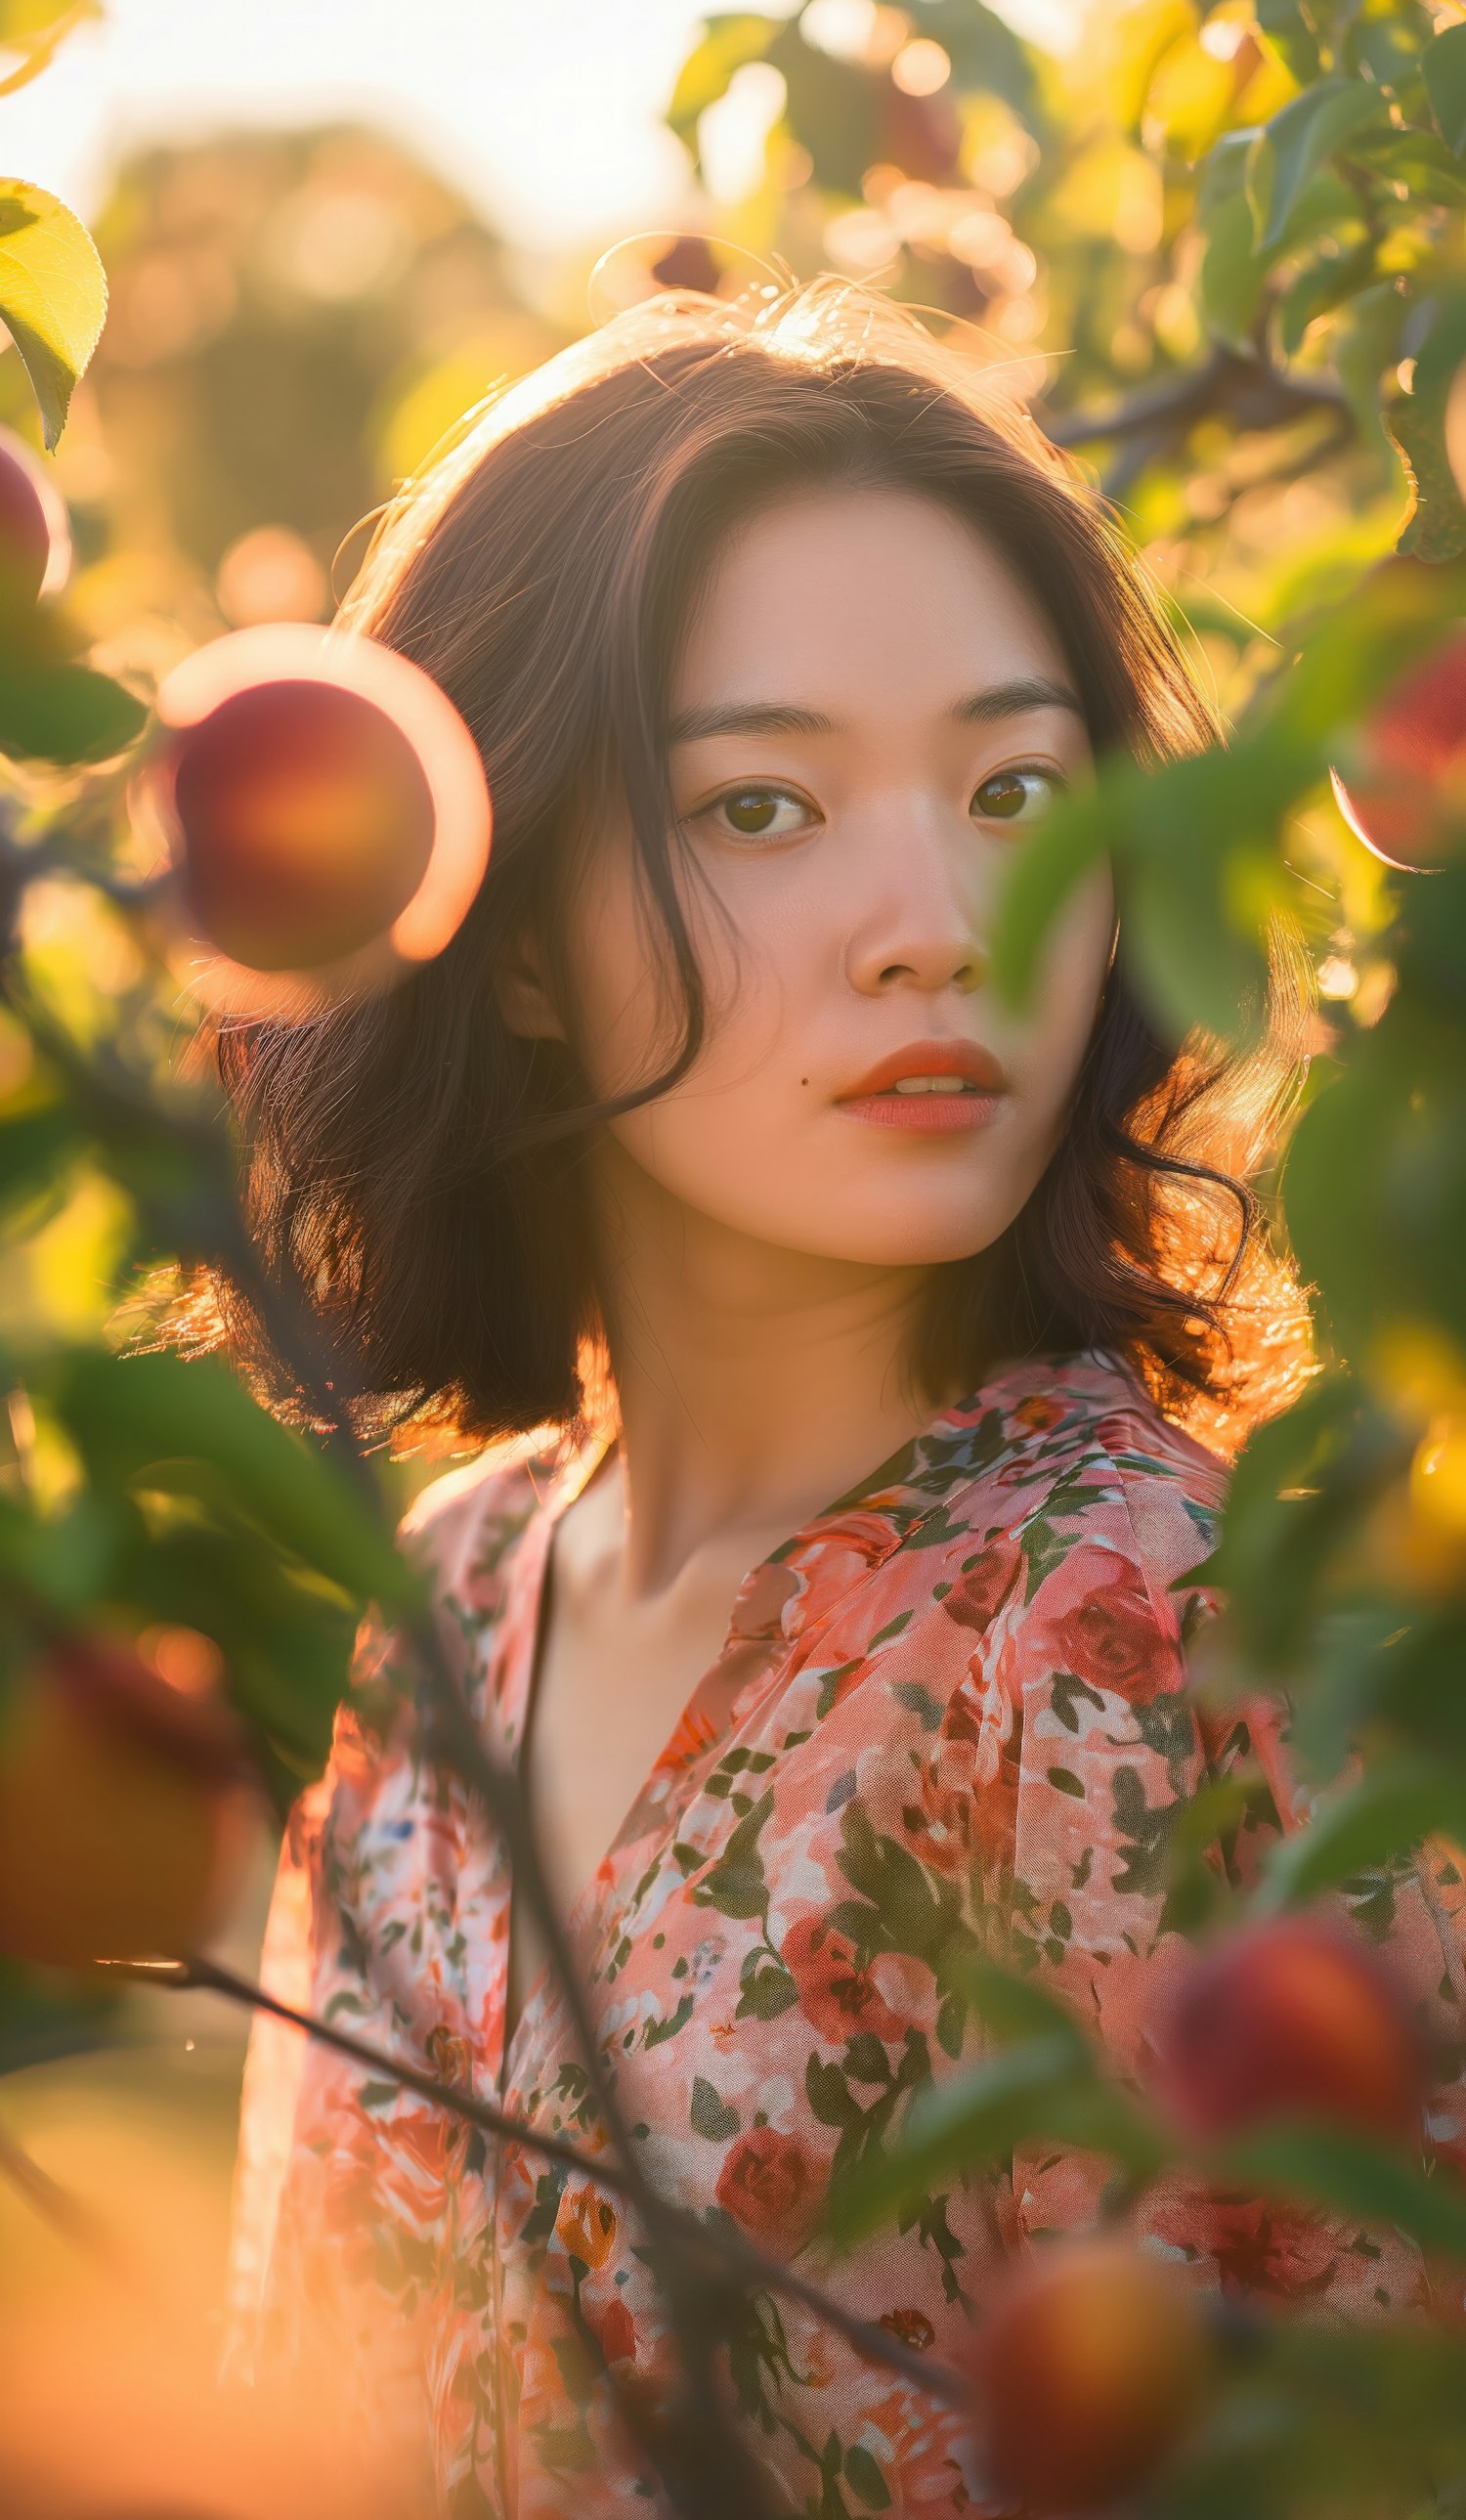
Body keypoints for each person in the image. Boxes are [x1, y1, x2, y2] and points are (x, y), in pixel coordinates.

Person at [214, 280, 1460, 2518]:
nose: (940, 922)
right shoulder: (455, 1599)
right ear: (506, 927)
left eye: (1015, 790)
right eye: (765, 805)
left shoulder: (1140, 1632)